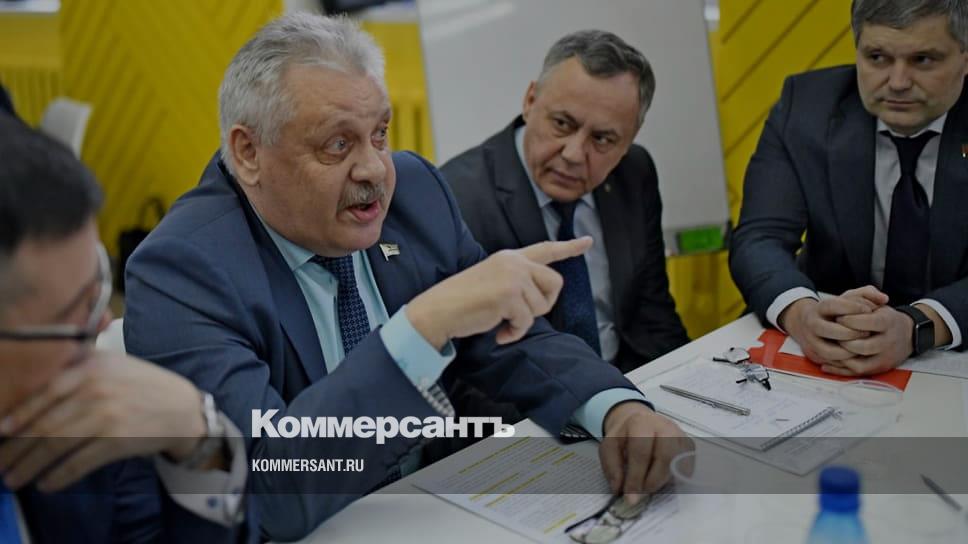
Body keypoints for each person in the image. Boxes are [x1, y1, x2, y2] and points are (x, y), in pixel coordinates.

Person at [122, 13, 692, 541]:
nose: (375, 169)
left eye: (380, 133)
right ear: (248, 152)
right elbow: (268, 490)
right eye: (338, 144)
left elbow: (509, 337)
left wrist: (615, 407)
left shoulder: (415, 190)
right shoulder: (180, 272)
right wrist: (421, 328)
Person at [0, 116, 252, 543]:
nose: (102, 324)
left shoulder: (84, 426)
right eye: (73, 313)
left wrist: (198, 435)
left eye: (99, 286)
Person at [730, 0, 968, 377]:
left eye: (923, 60)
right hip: (831, 349)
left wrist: (918, 326)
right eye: (877, 57)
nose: (898, 82)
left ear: (965, 57)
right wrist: (803, 315)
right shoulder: (806, 107)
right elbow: (760, 238)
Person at [442, 30, 689, 374]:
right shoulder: (458, 199)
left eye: (602, 139)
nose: (573, 154)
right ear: (530, 101)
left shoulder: (634, 172)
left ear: (628, 141)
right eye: (562, 124)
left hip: (629, 379)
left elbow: (653, 315)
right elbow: (469, 370)